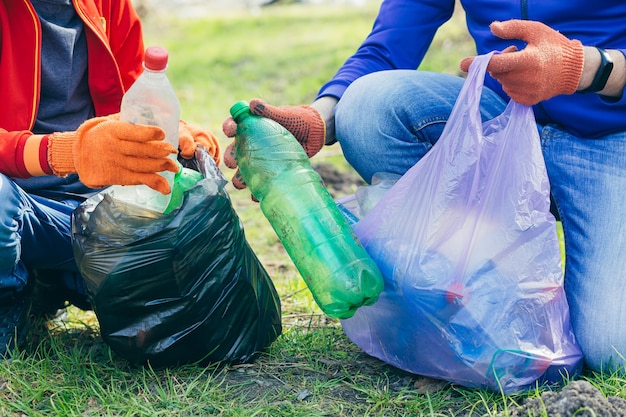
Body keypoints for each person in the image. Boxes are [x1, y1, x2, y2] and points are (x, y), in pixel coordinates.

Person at [223, 1, 626, 374]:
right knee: (366, 108)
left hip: (611, 138)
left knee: (613, 346)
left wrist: (593, 68)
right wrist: (318, 119)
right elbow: (390, 43)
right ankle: (475, 279)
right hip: (503, 120)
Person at [0, 0, 220, 357]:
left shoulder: (110, 5)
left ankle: (55, 280)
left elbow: (133, 101)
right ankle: (10, 298)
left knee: (182, 289)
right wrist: (67, 152)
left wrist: (175, 135)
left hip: (97, 211)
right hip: (15, 204)